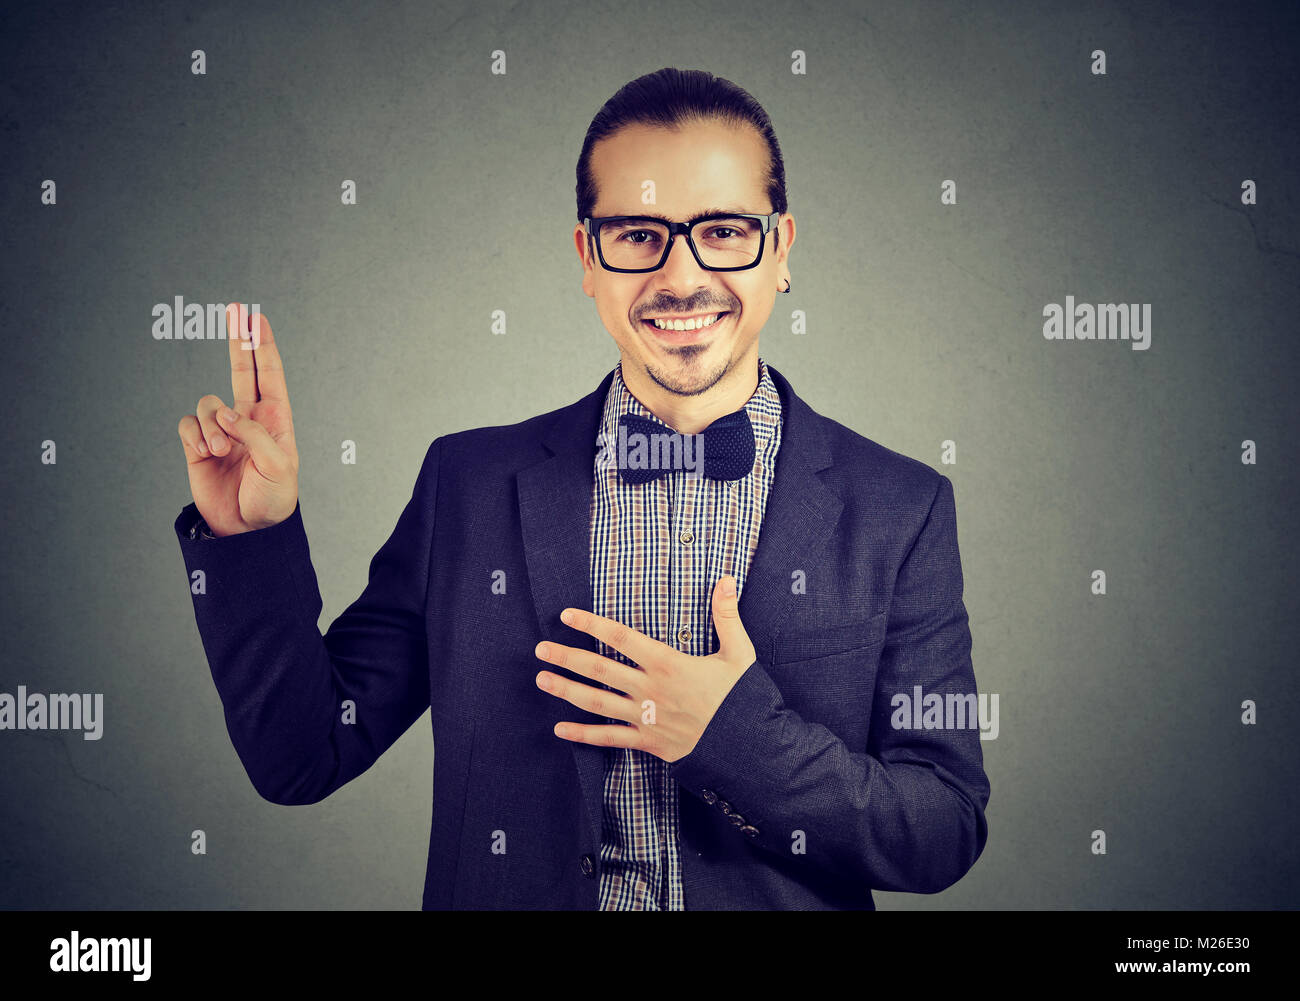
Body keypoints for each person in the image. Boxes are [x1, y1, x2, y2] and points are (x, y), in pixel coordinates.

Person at [173, 67, 990, 910]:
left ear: (780, 249)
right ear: (586, 258)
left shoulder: (901, 507)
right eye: (639, 235)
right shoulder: (469, 484)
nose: (682, 275)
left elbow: (943, 825)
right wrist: (250, 542)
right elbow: (304, 757)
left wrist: (735, 737)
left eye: (723, 231)